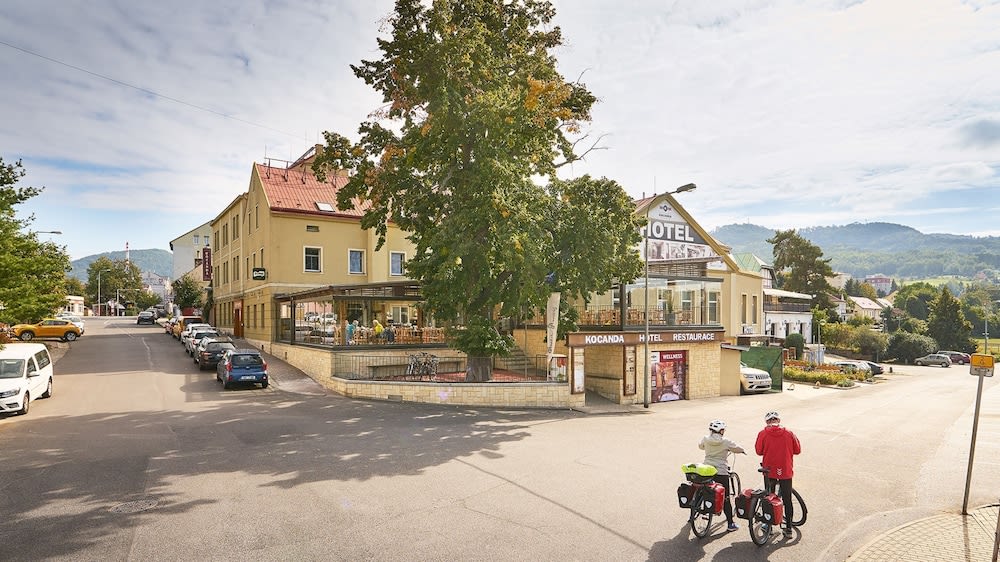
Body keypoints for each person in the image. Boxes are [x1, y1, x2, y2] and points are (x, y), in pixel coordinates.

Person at [755, 411, 801, 538]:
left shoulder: (763, 433)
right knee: (787, 499)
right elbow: (797, 450)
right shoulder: (789, 433)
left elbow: (759, 451)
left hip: (769, 470)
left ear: (767, 422)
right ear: (778, 420)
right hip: (785, 470)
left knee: (769, 497)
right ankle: (789, 528)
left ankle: (767, 525)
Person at [699, 419, 745, 532]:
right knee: (726, 497)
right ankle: (730, 524)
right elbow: (737, 448)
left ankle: (699, 510)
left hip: (707, 470)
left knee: (705, 490)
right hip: (721, 471)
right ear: (720, 431)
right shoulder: (726, 441)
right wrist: (742, 450)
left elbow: (701, 446)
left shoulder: (705, 438)